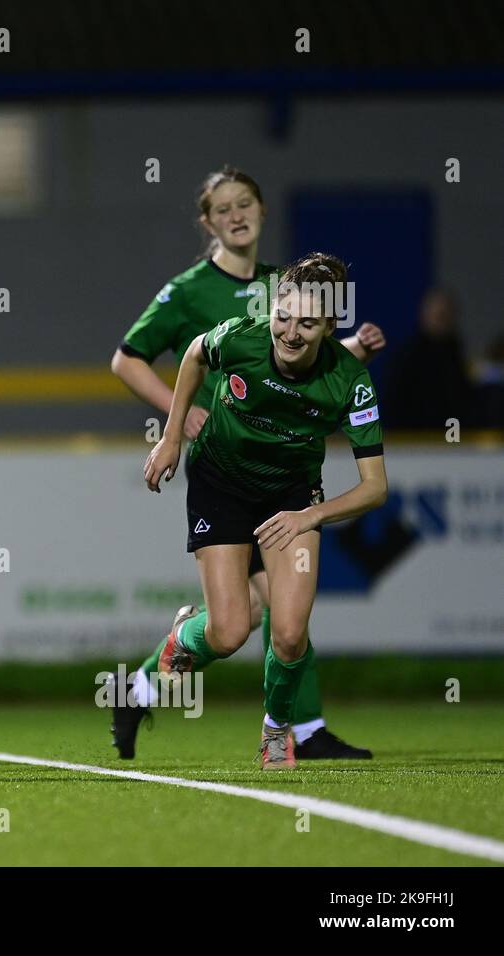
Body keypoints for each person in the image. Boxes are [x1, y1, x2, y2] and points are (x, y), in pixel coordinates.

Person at [110, 166, 385, 760]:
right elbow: (179, 353)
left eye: (307, 323)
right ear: (206, 222)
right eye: (284, 317)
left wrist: (309, 516)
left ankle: (283, 733)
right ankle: (166, 658)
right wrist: (173, 434)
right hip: (222, 483)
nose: (289, 330)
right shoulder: (232, 321)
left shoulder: (330, 353)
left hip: (290, 495)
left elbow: (374, 484)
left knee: (288, 629)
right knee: (233, 629)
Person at [386, 287, 475, 429]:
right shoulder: (408, 358)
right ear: (424, 315)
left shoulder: (456, 355)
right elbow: (396, 404)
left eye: (445, 315)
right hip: (415, 440)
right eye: (437, 315)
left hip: (453, 438)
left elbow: (463, 402)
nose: (441, 321)